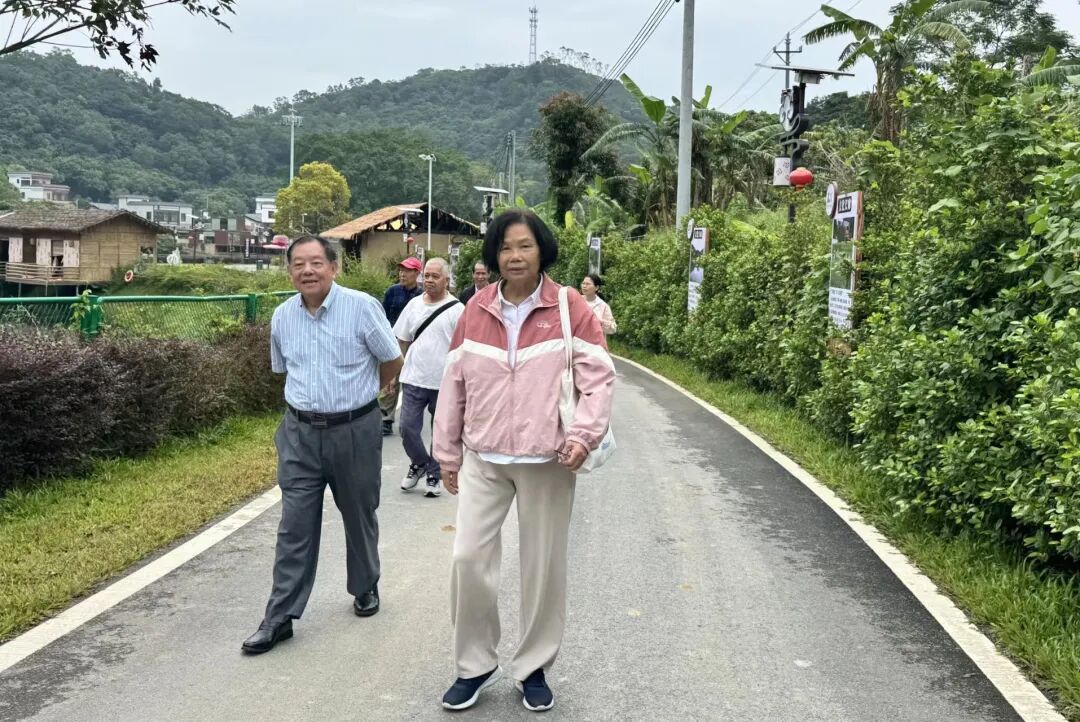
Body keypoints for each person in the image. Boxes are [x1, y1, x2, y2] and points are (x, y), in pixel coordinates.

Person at [433, 209, 615, 712]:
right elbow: (453, 383)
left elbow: (599, 378)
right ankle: (474, 664)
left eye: (524, 246)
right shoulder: (475, 309)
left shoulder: (569, 306)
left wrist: (584, 436)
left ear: (542, 251)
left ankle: (533, 666)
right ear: (494, 255)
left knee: (542, 568)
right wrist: (446, 452)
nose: (514, 256)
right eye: (505, 247)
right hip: (484, 457)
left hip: (549, 459)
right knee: (468, 558)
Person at [242, 235, 403, 655]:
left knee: (359, 512)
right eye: (298, 264)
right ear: (289, 272)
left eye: (316, 262)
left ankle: (365, 585)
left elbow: (392, 359)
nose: (307, 271)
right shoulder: (282, 316)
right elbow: (285, 369)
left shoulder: (361, 307)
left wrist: (365, 394)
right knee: (294, 525)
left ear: (334, 267)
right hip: (299, 433)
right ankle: (279, 616)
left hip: (354, 430)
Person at [392, 257, 463, 498]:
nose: (429, 280)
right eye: (427, 276)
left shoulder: (457, 310)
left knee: (440, 432)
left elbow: (463, 348)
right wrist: (394, 372)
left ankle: (434, 474)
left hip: (444, 383)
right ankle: (420, 462)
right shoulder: (413, 305)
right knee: (407, 428)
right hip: (413, 378)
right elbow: (402, 340)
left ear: (446, 280)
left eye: (435, 276)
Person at [379, 256, 423, 435]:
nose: (402, 274)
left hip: (415, 344)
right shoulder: (392, 292)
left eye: (407, 271)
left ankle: (411, 419)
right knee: (390, 380)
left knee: (413, 383)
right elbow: (383, 317)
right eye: (401, 270)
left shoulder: (422, 296)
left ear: (417, 274)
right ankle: (385, 419)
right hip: (394, 341)